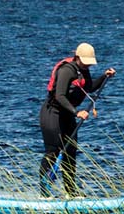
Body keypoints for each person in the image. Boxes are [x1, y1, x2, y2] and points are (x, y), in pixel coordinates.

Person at [39, 43, 115, 197]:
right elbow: (60, 95)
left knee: (70, 152)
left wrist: (104, 76)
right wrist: (76, 112)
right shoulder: (66, 71)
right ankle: (44, 194)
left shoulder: (83, 70)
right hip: (52, 113)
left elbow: (89, 87)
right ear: (78, 58)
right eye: (85, 61)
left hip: (67, 115)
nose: (88, 65)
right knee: (53, 152)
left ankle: (70, 193)